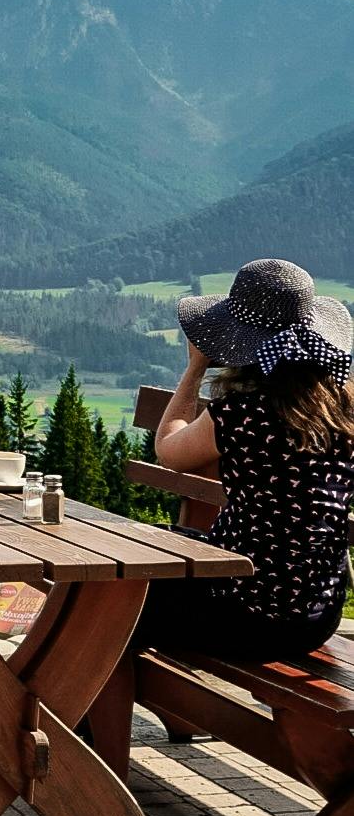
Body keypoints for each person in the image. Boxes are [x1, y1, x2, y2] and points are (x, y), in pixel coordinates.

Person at [140, 258, 354, 659]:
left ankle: (93, 719)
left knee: (112, 598)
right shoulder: (344, 408)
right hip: (317, 613)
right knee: (147, 549)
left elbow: (169, 451)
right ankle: (172, 718)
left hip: (249, 609)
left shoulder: (243, 411)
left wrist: (194, 369)